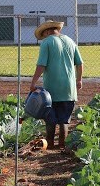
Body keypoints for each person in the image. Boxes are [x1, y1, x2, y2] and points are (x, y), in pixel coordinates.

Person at [29, 20, 84, 150]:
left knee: (50, 117)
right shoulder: (70, 41)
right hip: (69, 89)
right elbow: (80, 63)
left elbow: (42, 64)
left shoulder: (47, 42)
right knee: (64, 119)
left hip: (52, 88)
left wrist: (33, 82)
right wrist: (79, 80)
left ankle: (50, 144)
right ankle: (62, 144)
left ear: (47, 31)